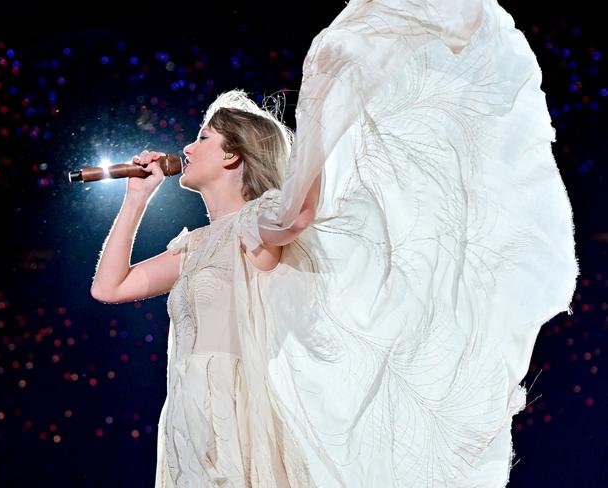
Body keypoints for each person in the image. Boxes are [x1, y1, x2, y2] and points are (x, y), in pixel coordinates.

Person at [91, 0, 579, 486]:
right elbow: (109, 288)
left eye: (202, 137)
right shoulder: (194, 247)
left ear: (233, 157)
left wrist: (325, 105)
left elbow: (298, 213)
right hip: (187, 415)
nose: (188, 148)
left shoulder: (255, 224)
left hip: (240, 418)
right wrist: (137, 198)